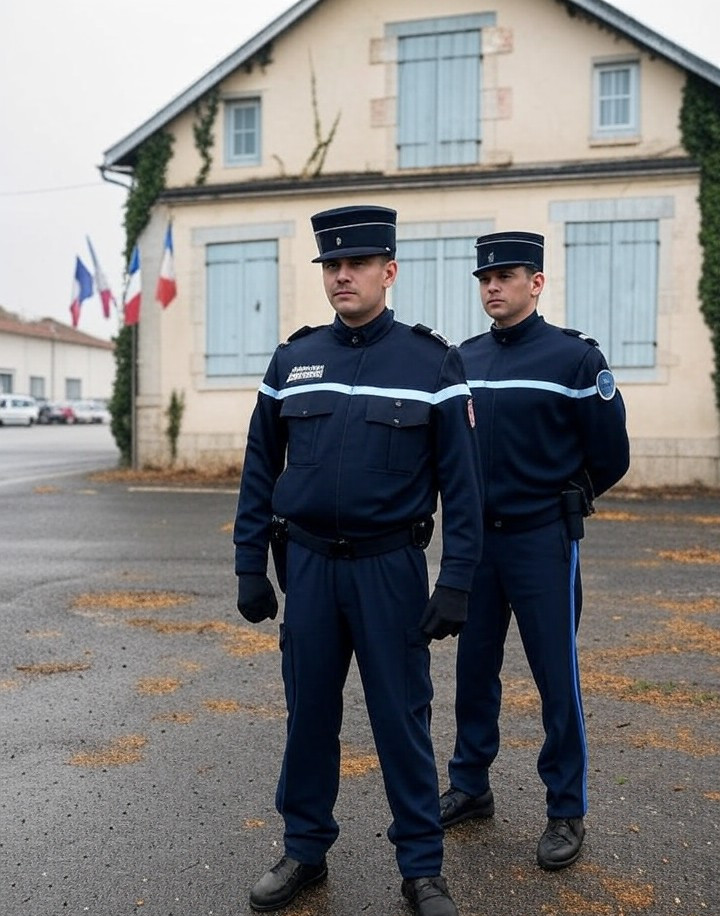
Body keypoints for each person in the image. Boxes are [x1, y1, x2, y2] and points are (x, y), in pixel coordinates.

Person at [233, 205, 483, 914]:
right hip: (307, 568)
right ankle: (304, 850)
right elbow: (259, 466)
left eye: (357, 264)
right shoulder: (293, 359)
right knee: (308, 715)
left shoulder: (432, 360)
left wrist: (457, 580)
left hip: (389, 571)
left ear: (388, 271)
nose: (342, 276)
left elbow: (463, 487)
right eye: (331, 266)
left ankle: (421, 868)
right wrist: (250, 561)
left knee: (402, 720)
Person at [440, 231, 630, 871]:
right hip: (479, 545)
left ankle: (565, 808)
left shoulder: (573, 360)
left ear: (537, 282)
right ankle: (470, 784)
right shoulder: (463, 359)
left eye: (507, 276)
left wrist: (563, 498)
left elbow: (610, 453)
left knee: (556, 677)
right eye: (485, 279)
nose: (493, 287)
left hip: (544, 541)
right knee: (473, 669)